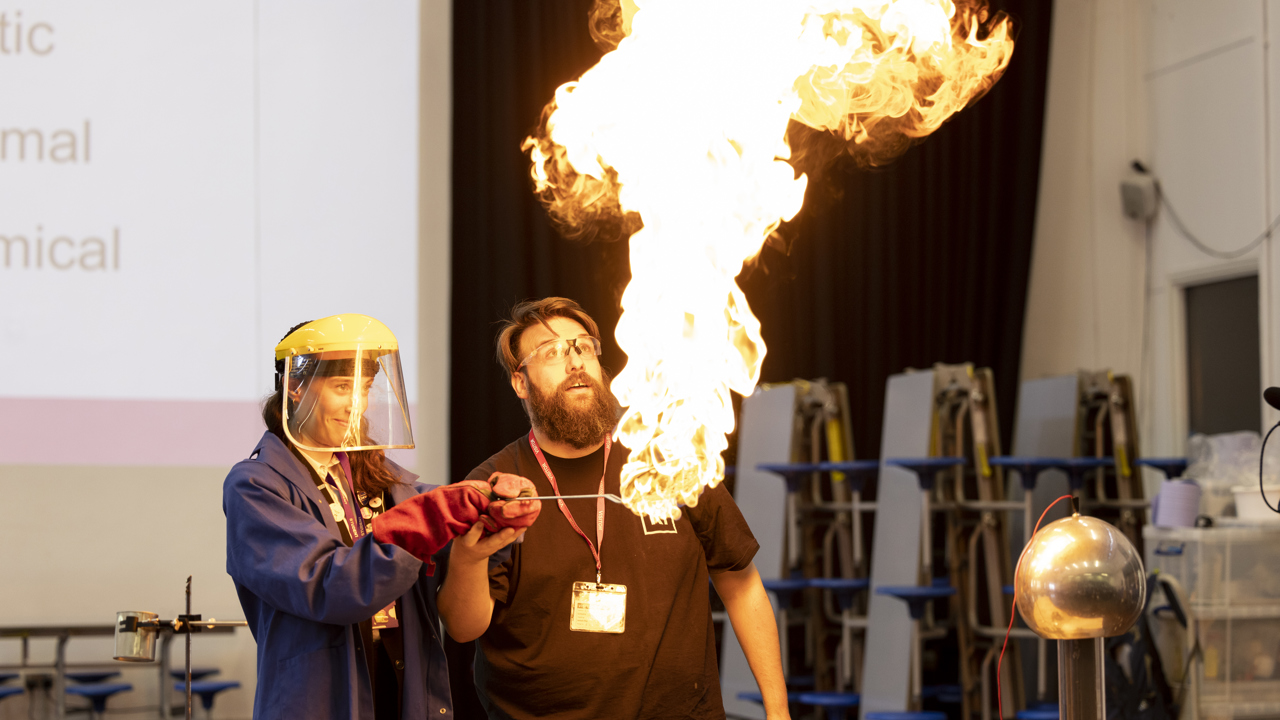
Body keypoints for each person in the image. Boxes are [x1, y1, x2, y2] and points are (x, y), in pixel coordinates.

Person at [438, 297, 790, 719]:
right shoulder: (496, 485)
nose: (574, 363)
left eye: (583, 347)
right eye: (551, 353)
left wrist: (778, 710)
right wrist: (469, 554)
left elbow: (742, 584)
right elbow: (463, 627)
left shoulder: (668, 453)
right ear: (520, 383)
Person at [223, 314, 540, 720]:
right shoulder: (254, 485)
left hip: (399, 684)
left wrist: (491, 507)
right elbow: (326, 584)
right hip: (320, 700)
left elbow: (436, 520)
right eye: (342, 387)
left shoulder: (375, 474)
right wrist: (434, 516)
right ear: (296, 388)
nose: (357, 404)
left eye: (365, 388)